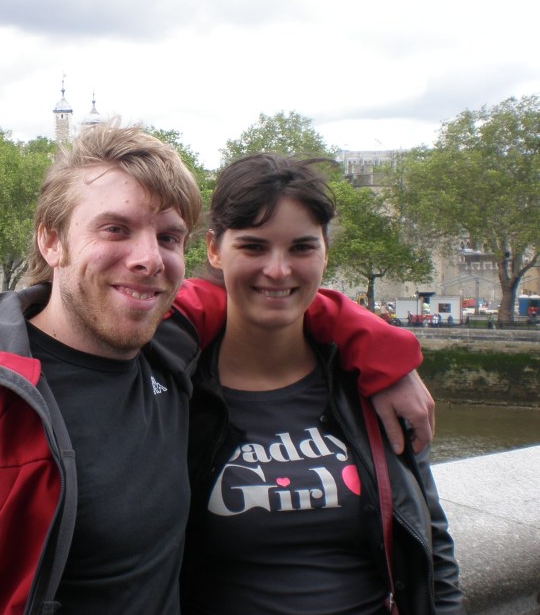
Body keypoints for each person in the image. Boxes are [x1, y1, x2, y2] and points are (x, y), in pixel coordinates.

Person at [0, 122, 433, 614]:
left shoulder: (167, 348)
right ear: (51, 241)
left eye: (169, 237)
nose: (147, 260)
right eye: (115, 229)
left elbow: (276, 297)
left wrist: (385, 354)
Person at [182, 154, 463, 613]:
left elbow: (431, 542)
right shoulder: (177, 390)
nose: (278, 270)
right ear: (215, 249)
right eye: (253, 247)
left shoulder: (370, 385)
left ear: (325, 251)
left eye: (301, 248)